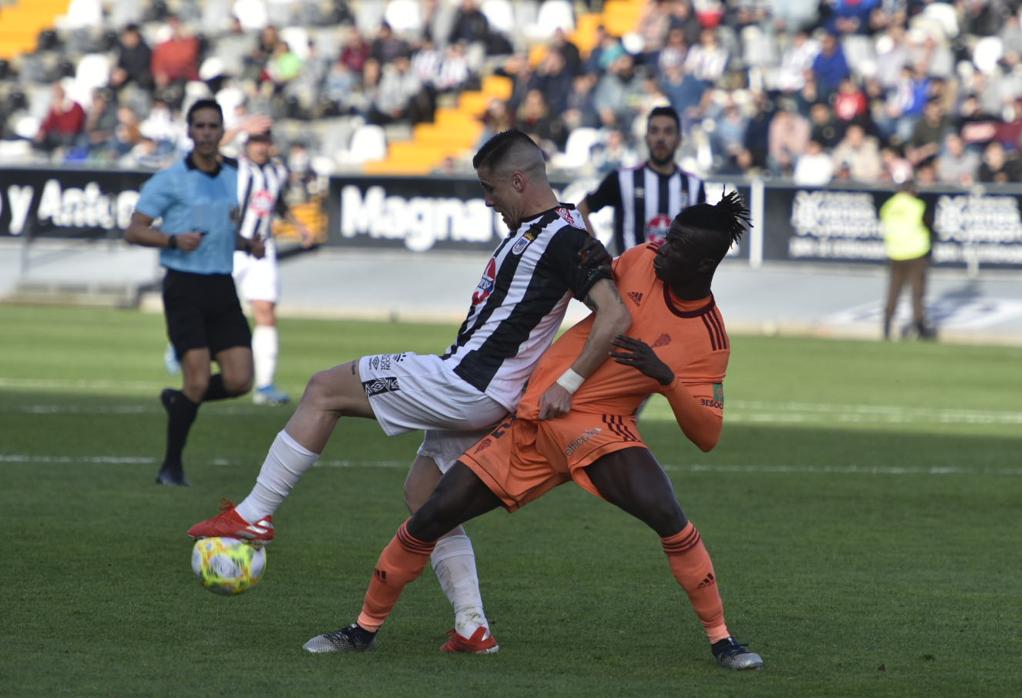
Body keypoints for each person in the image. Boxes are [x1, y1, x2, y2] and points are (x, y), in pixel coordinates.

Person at [189, 130, 628, 653]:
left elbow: (615, 314)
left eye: (490, 189)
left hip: (466, 383)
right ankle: (472, 627)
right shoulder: (551, 227)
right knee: (424, 498)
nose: (487, 201)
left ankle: (255, 513)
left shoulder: (563, 236)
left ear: (518, 180)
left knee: (324, 388)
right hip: (482, 389)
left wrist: (569, 383)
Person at [302, 193, 763, 671]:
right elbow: (599, 283)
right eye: (667, 236)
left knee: (668, 514)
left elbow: (707, 434)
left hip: (602, 428)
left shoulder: (709, 338)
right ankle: (362, 630)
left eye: (678, 244)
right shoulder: (642, 259)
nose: (662, 247)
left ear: (706, 261)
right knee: (432, 514)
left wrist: (666, 379)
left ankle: (723, 640)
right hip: (535, 419)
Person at [123, 99, 265, 486]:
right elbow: (134, 229)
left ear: (222, 132)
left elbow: (217, 228)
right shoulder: (170, 179)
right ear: (189, 132)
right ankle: (171, 466)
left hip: (220, 285)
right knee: (199, 379)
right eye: (199, 126)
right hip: (184, 286)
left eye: (212, 126)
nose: (205, 133)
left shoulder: (231, 175)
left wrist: (245, 243)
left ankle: (180, 400)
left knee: (240, 380)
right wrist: (171, 238)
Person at [231, 124, 314, 404]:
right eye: (255, 140)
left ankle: (264, 384)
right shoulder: (235, 167)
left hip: (262, 248)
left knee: (266, 311)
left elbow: (276, 204)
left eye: (264, 140)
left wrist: (299, 226)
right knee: (211, 305)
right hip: (229, 246)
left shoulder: (276, 171)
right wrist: (239, 126)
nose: (260, 146)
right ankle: (181, 346)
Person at [578, 106, 706, 255]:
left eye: (668, 131)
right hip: (628, 277)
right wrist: (597, 253)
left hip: (678, 277)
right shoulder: (621, 179)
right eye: (654, 131)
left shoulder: (694, 186)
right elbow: (580, 211)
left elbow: (702, 237)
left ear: (679, 140)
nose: (660, 138)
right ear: (646, 137)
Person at [880, 180, 935, 341]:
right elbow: (928, 225)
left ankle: (887, 325)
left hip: (895, 252)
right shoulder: (917, 205)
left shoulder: (888, 206)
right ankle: (920, 327)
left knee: (893, 291)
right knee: (917, 293)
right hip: (916, 253)